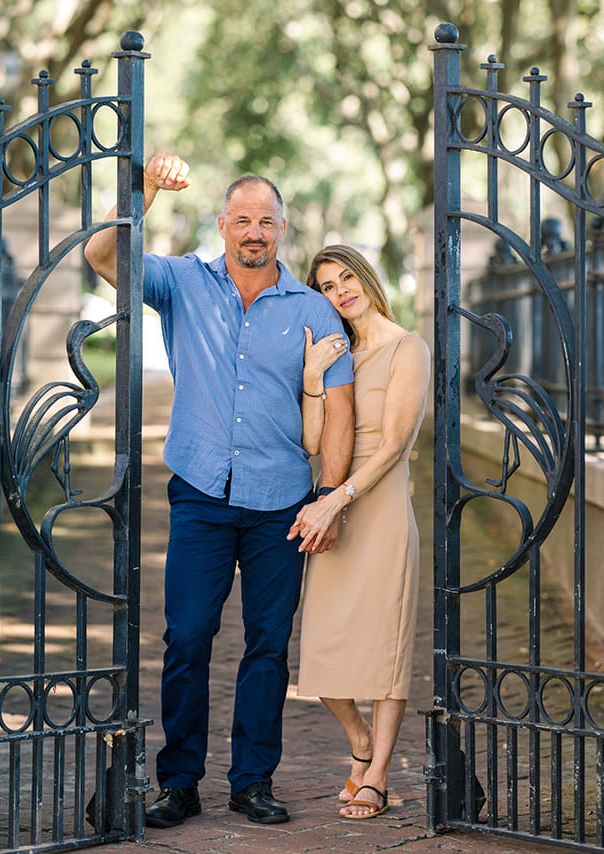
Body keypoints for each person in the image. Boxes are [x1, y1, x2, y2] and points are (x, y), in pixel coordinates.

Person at [83, 152, 356, 827]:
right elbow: (101, 255)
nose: (253, 231)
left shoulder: (315, 312)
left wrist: (329, 495)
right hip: (202, 493)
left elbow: (342, 410)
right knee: (188, 639)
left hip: (282, 503)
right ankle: (178, 781)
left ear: (282, 229)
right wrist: (144, 188)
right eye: (242, 219)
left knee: (267, 645)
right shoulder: (182, 283)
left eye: (266, 220)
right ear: (222, 224)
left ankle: (253, 781)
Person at [289, 244, 431, 820]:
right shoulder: (337, 353)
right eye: (326, 285)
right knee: (320, 651)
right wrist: (312, 377)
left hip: (379, 507)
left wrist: (338, 499)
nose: (341, 290)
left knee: (387, 647)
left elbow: (395, 444)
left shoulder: (408, 347)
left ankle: (376, 775)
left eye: (347, 277)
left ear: (367, 278)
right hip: (333, 503)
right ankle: (362, 740)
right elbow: (313, 443)